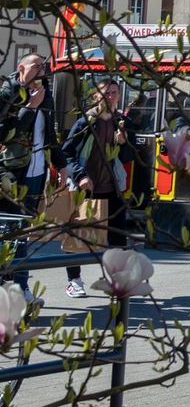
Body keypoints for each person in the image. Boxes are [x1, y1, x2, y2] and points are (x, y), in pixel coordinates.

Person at [1, 56, 65, 301]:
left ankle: (19, 287)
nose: (41, 71)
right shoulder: (8, 92)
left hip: (36, 172)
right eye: (36, 66)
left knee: (23, 232)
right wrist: (29, 108)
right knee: (9, 231)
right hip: (10, 173)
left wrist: (61, 165)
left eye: (43, 67)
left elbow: (49, 134)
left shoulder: (45, 94)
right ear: (21, 68)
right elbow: (3, 134)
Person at [61, 79, 132, 299]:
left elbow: (129, 157)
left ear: (119, 96)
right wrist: (80, 176)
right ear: (96, 96)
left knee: (118, 238)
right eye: (106, 93)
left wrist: (124, 143)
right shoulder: (86, 121)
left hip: (112, 187)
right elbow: (66, 152)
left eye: (114, 93)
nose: (110, 97)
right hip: (86, 187)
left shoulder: (122, 121)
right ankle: (74, 281)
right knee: (78, 236)